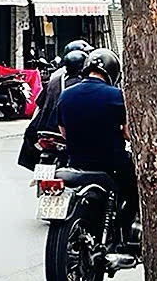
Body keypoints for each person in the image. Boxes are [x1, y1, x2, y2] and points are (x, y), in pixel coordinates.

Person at [55, 48, 133, 229]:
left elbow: (63, 132)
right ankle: (126, 231)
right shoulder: (118, 95)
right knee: (135, 189)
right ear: (113, 71)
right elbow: (128, 133)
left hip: (76, 164)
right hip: (112, 166)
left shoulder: (66, 94)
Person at [20, 40, 92, 169]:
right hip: (64, 130)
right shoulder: (83, 84)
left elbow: (39, 106)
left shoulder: (55, 79)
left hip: (45, 129)